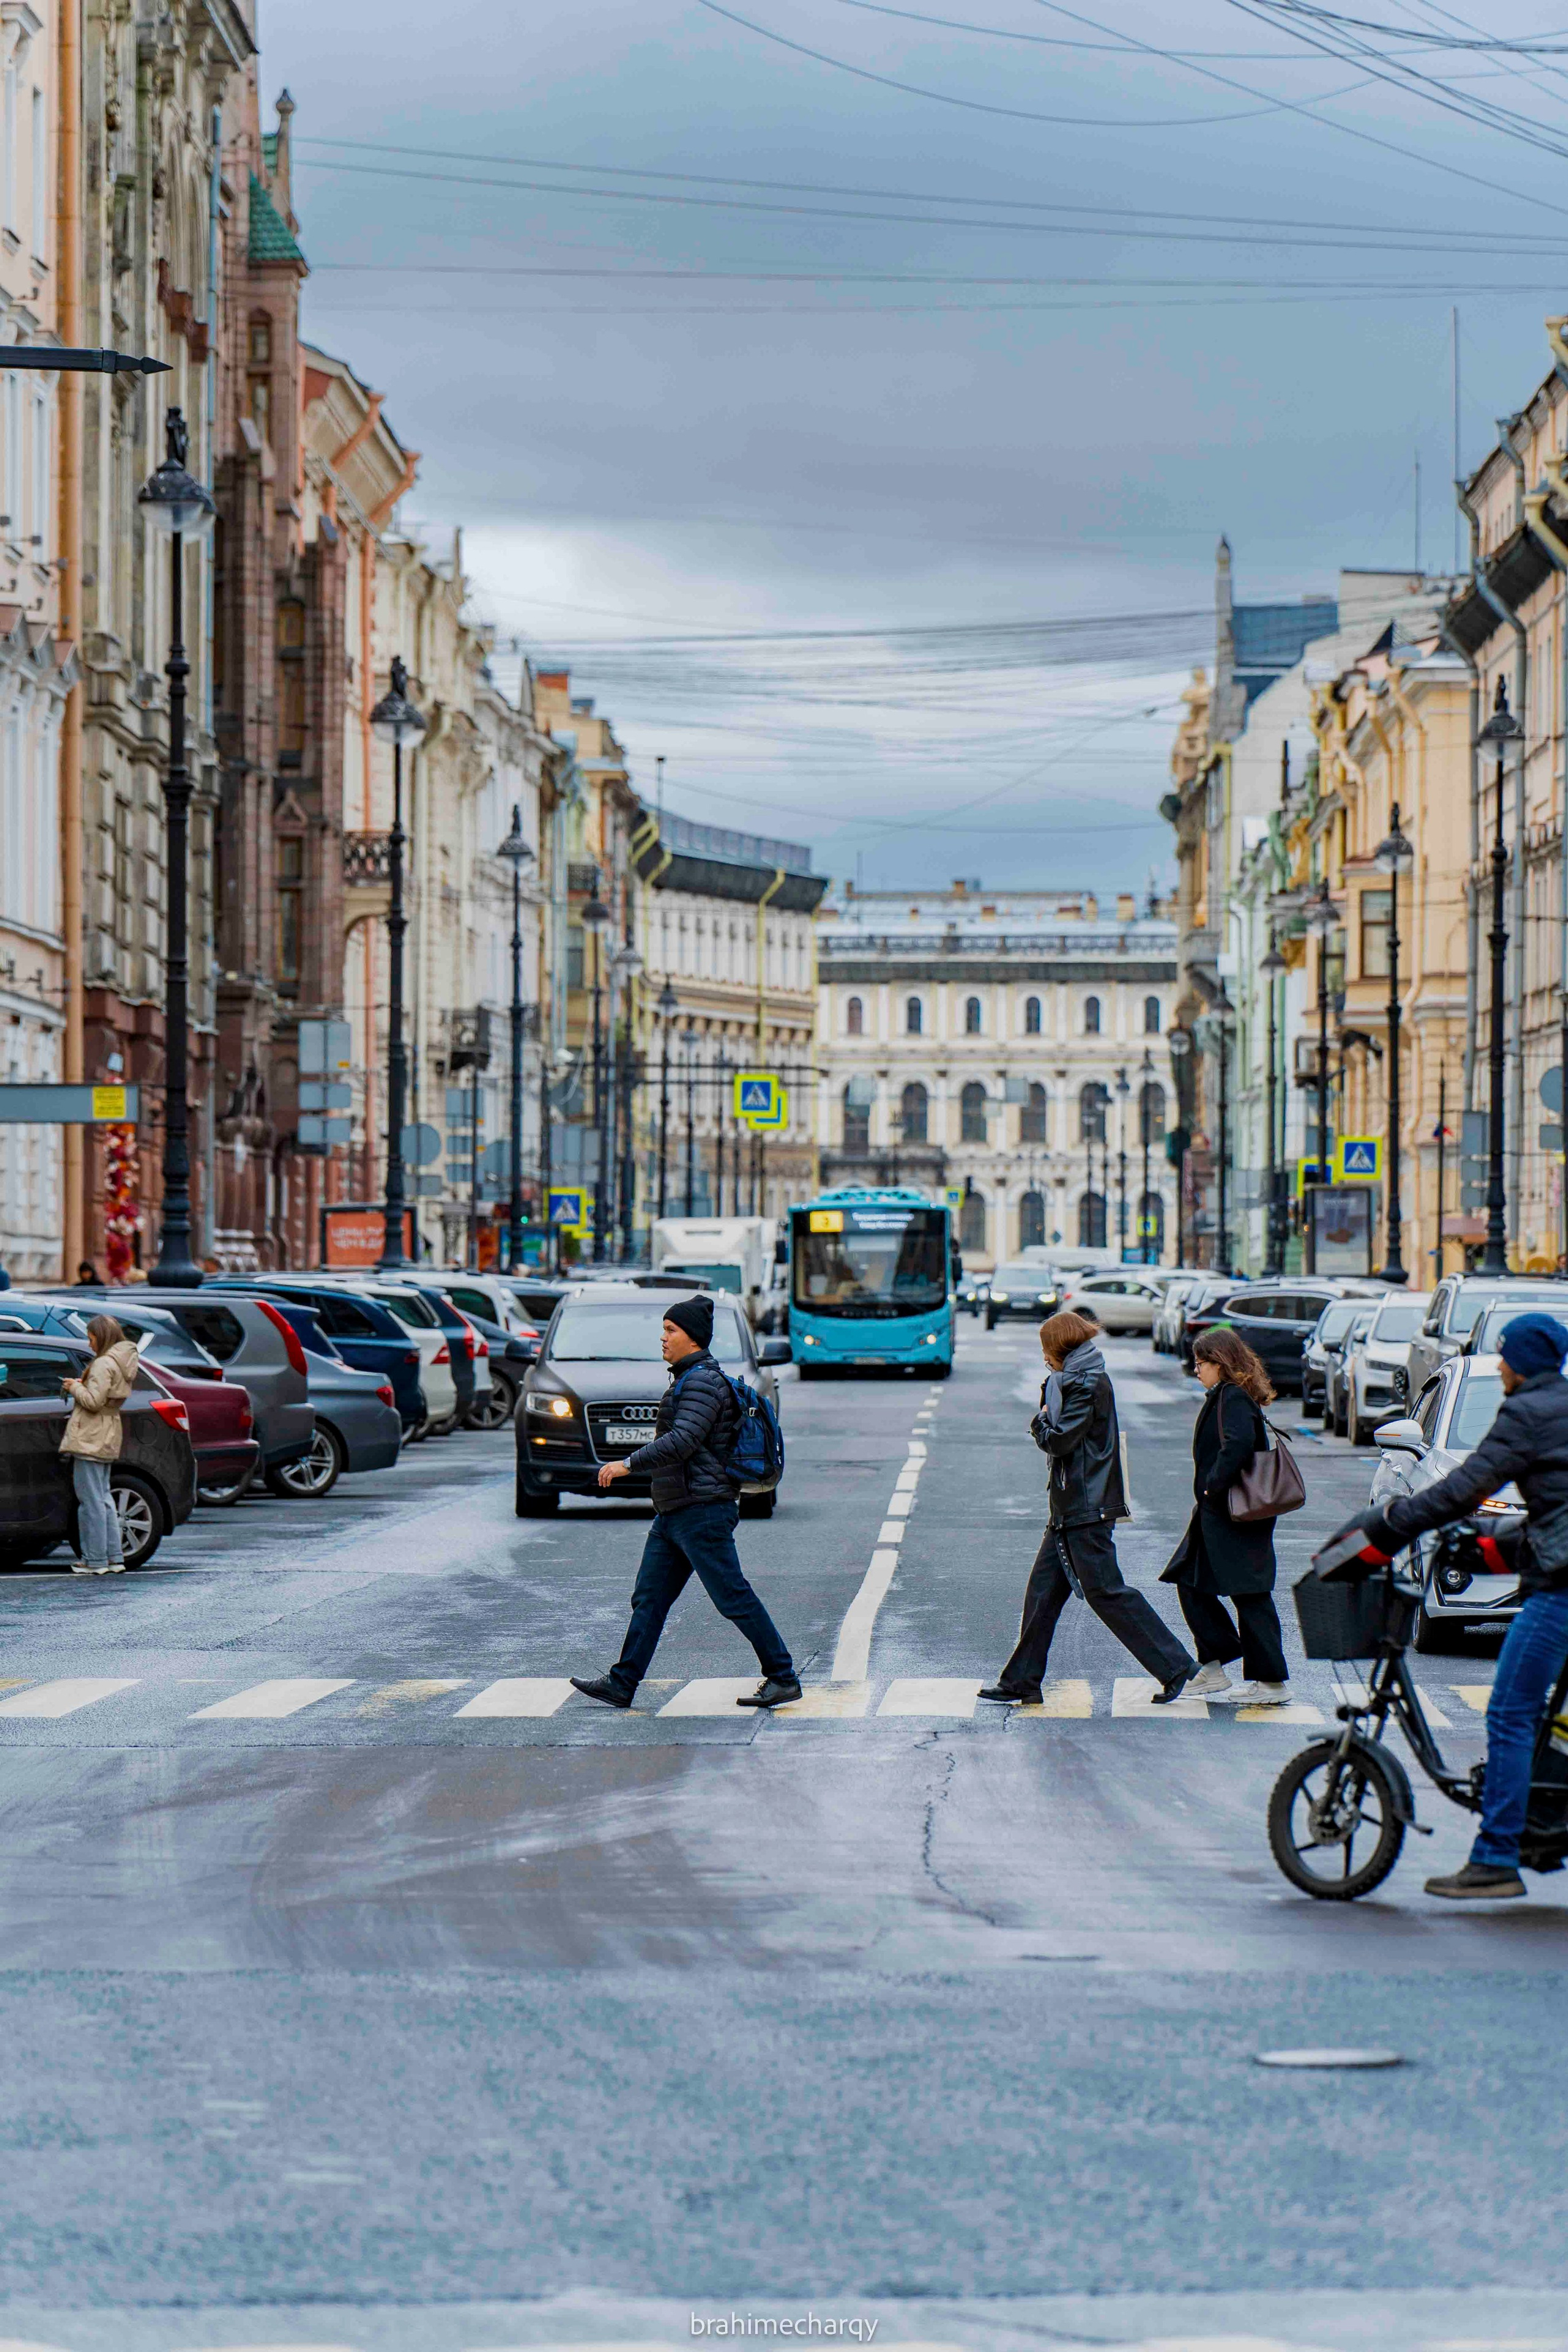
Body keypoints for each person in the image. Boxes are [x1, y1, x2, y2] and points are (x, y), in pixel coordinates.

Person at [1341, 1311, 1568, 1901]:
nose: (1500, 1366)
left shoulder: (1528, 1413)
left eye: (1505, 1357)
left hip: (1562, 1593)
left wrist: (1390, 1525)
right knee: (1547, 1719)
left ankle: (1496, 1858)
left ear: (1522, 1363)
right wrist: (1506, 1545)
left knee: (1512, 1713)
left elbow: (1464, 1487)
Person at [570, 1293, 801, 1711]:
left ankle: (783, 1676)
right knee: (650, 1598)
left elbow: (682, 1441)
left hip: (702, 1511)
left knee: (732, 1596)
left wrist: (627, 1464)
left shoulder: (701, 1382)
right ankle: (623, 1683)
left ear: (692, 1338)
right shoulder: (688, 1378)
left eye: (670, 1330)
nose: (663, 1338)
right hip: (676, 1511)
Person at [979, 1309, 1196, 1706]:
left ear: (1061, 1347)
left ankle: (1177, 1666)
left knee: (1108, 1594)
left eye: (1047, 1349)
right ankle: (1022, 1681)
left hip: (1086, 1508)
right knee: (1042, 1595)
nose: (1044, 1356)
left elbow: (1061, 1441)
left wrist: (1039, 1422)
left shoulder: (1086, 1384)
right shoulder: (1074, 1379)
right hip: (1070, 1508)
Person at [1161, 1327, 1292, 1706]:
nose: (1196, 1370)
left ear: (1220, 1362)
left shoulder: (1233, 1397)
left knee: (1250, 1594)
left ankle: (1271, 1682)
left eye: (1201, 1363)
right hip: (1219, 1512)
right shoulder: (1228, 1395)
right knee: (1190, 1579)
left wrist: (1211, 1489)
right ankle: (1215, 1667)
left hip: (1234, 1512)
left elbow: (1236, 1447)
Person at [59, 1314, 140, 1577]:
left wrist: (74, 1387)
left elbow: (93, 1402)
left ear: (101, 1336)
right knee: (103, 1499)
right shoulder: (120, 1361)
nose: (89, 1341)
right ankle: (113, 1557)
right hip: (107, 1432)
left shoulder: (104, 1363)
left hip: (90, 1436)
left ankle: (94, 1560)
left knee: (91, 1500)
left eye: (91, 1336)